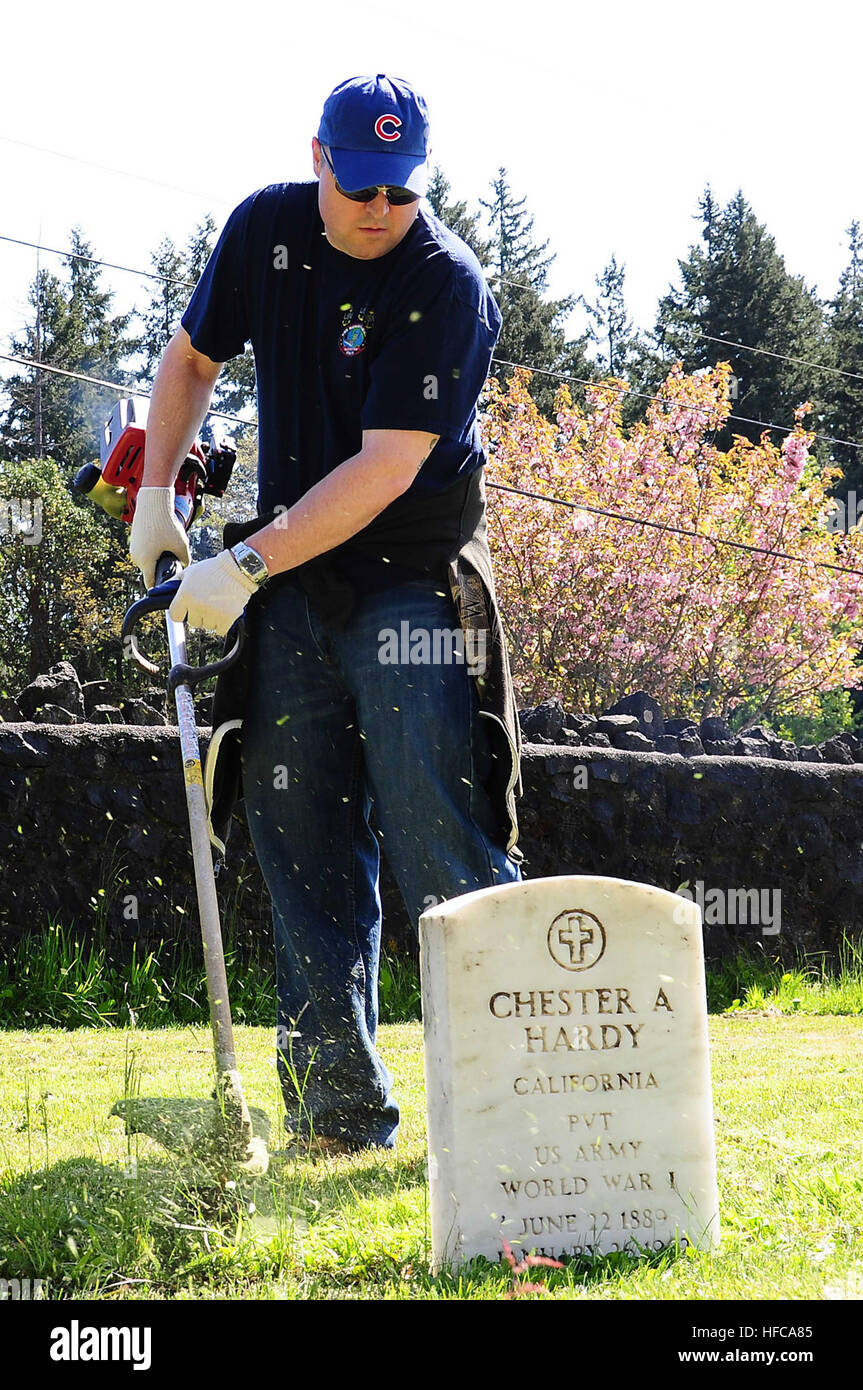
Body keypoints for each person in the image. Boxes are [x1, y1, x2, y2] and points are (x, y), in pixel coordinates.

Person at [129, 73, 523, 1154]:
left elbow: (386, 472)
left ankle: (512, 1111)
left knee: (442, 838)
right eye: (358, 187)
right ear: (318, 161)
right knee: (300, 841)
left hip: (409, 582)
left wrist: (241, 564)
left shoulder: (445, 285)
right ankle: (338, 1118)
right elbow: (192, 358)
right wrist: (158, 496)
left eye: (399, 193)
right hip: (294, 587)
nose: (377, 212)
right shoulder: (263, 230)